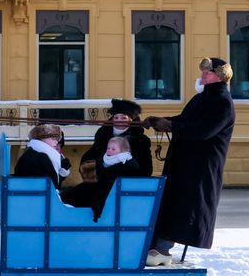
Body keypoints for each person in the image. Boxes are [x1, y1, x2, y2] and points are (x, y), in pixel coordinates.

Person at [143, 57, 236, 267]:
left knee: (184, 207)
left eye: (208, 72)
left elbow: (203, 130)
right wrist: (159, 121)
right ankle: (155, 247)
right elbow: (184, 121)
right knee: (171, 203)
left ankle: (162, 249)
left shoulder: (222, 101)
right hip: (184, 163)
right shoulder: (201, 98)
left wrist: (170, 125)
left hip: (200, 168)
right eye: (203, 71)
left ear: (220, 76)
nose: (203, 75)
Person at [61, 136, 144, 220]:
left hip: (112, 196)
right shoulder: (104, 161)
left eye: (113, 149)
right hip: (98, 189)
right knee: (80, 189)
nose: (109, 150)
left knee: (87, 192)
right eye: (108, 148)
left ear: (123, 151)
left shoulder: (126, 166)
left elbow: (111, 186)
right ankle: (63, 199)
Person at [79, 98, 153, 183]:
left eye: (123, 118)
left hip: (127, 184)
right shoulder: (103, 135)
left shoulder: (141, 140)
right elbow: (92, 155)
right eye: (116, 117)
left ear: (131, 120)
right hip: (101, 182)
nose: (119, 121)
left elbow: (146, 169)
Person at [13, 123, 71, 188]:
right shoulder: (39, 157)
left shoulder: (39, 154)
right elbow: (50, 185)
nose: (57, 148)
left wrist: (62, 172)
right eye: (55, 141)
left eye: (60, 145)